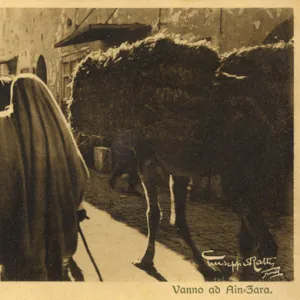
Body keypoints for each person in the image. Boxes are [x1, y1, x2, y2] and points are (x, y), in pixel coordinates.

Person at [0, 74, 89, 281]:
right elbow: (81, 176)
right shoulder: (61, 137)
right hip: (57, 242)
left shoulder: (6, 135)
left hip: (20, 249)